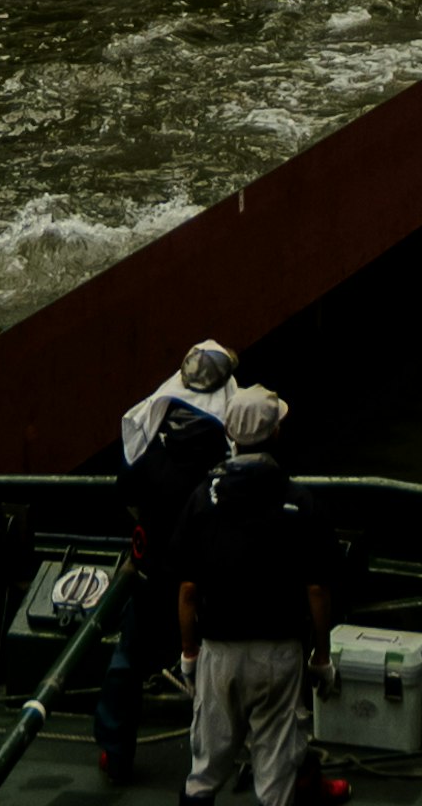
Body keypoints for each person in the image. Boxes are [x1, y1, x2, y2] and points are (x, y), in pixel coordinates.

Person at [176, 384, 344, 806]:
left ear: (230, 434)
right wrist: (321, 657)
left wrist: (189, 653)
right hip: (278, 653)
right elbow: (318, 588)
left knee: (205, 767)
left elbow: (189, 589)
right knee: (274, 773)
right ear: (275, 434)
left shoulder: (202, 499)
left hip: (218, 652)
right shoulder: (298, 503)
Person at [93, 338, 237, 785]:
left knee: (127, 662)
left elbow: (126, 488)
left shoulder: (156, 446)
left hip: (155, 574)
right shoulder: (221, 454)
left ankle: (115, 752)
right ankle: (221, 759)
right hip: (207, 582)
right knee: (219, 669)